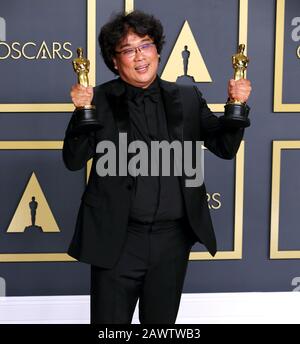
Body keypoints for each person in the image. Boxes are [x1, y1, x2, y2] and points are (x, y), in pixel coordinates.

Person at [63, 10, 252, 324]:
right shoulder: (99, 100)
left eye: (145, 45)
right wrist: (82, 113)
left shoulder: (188, 98)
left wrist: (237, 105)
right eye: (128, 49)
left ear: (158, 51)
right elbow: (72, 160)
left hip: (171, 242)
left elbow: (224, 147)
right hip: (117, 241)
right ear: (113, 60)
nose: (139, 56)